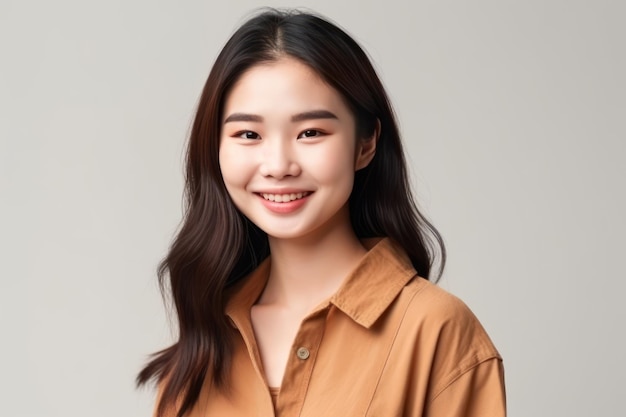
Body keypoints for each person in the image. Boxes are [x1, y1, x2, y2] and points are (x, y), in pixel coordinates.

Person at [137, 8, 506, 417]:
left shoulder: (436, 329)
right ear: (216, 148)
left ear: (365, 144)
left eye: (310, 132)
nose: (278, 165)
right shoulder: (201, 350)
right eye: (248, 134)